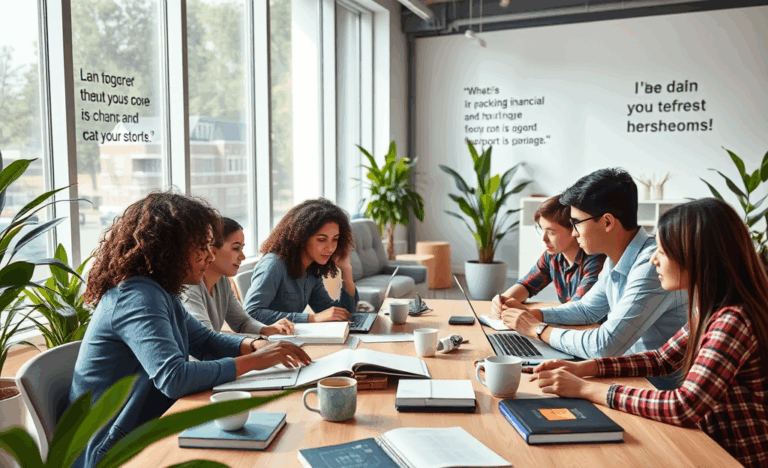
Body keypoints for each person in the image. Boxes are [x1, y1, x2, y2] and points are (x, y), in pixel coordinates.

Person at [69, 193, 311, 468]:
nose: (210, 256)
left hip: (149, 425)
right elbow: (174, 377)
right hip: (113, 451)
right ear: (170, 249)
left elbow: (203, 340)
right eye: (202, 248)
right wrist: (256, 361)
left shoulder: (160, 290)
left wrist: (255, 345)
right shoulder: (137, 297)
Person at [530, 198, 768, 468]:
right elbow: (661, 359)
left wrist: (585, 389)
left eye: (664, 251)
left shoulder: (732, 319)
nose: (654, 259)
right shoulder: (711, 308)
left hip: (732, 456)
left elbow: (683, 405)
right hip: (707, 444)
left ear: (697, 256)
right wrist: (586, 368)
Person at [501, 168, 687, 361]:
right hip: (629, 370)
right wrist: (532, 315)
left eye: (577, 223)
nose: (574, 233)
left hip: (652, 383)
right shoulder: (616, 259)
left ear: (607, 222)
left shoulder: (651, 264)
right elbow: (587, 310)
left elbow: (604, 345)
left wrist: (536, 329)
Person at [242, 198, 359, 324]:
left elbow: (339, 315)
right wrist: (312, 318)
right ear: (302, 237)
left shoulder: (311, 269)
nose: (330, 248)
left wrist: (346, 272)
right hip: (268, 340)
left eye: (335, 239)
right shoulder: (274, 265)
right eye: (321, 239)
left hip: (291, 337)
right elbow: (251, 312)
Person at [491, 195, 605, 318]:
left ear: (574, 229)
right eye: (542, 230)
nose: (544, 239)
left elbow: (578, 308)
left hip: (591, 328)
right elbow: (527, 285)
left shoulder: (596, 260)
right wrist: (503, 300)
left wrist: (528, 314)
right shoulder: (552, 256)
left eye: (551, 232)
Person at [181, 217, 295, 336]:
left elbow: (242, 322)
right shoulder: (189, 286)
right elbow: (206, 338)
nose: (243, 257)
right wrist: (254, 343)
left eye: (242, 248)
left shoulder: (222, 281)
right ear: (212, 250)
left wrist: (267, 329)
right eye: (236, 248)